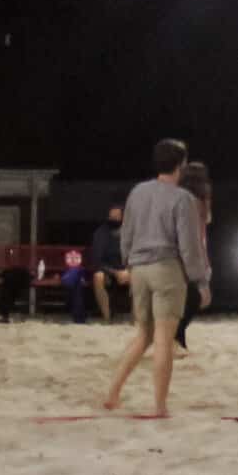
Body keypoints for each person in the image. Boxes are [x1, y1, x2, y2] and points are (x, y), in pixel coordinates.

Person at [103, 139, 210, 414]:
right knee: (163, 339)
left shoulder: (138, 192)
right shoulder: (182, 199)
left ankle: (113, 392)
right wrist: (201, 280)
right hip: (166, 270)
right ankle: (160, 406)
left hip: (138, 269)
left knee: (143, 336)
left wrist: (127, 264)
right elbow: (189, 245)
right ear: (181, 165)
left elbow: (126, 233)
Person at [174, 160, 211, 351]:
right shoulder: (196, 201)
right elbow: (198, 233)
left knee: (191, 298)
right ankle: (177, 336)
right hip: (192, 250)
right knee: (196, 298)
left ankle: (178, 338)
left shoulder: (181, 197)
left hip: (184, 250)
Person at [72, 204, 128, 326]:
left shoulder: (130, 233)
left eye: (117, 216)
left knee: (140, 277)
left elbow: (137, 255)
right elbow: (97, 260)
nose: (114, 219)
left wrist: (128, 270)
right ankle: (107, 318)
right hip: (107, 270)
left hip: (127, 270)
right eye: (111, 216)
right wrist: (115, 272)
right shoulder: (101, 233)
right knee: (98, 277)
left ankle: (137, 320)